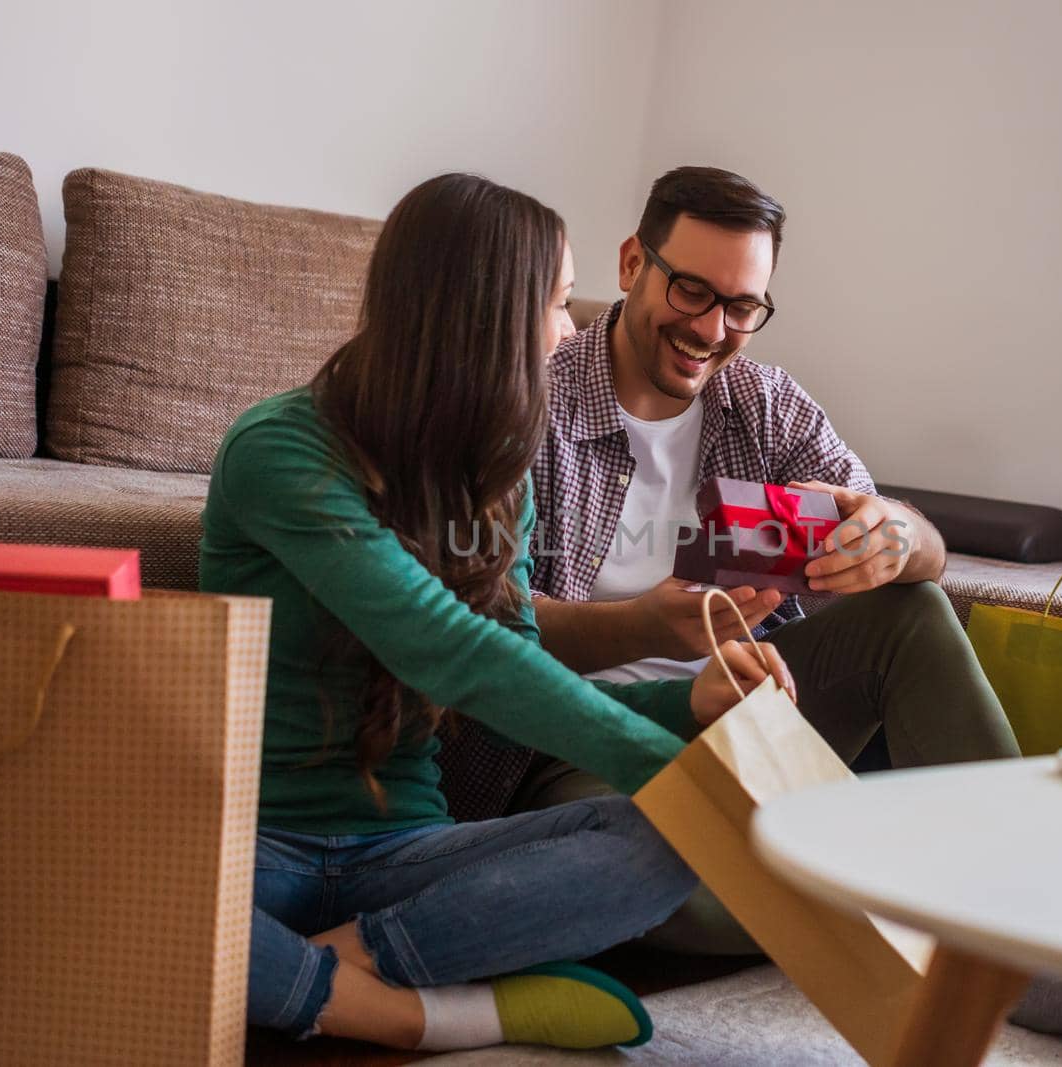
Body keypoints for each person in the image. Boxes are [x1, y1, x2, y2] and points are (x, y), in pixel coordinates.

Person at [516, 166, 1062, 1067]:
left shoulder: (765, 404)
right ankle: (945, 886)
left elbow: (909, 535)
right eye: (691, 290)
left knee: (915, 606)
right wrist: (648, 628)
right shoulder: (530, 396)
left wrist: (893, 535)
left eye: (742, 306)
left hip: (755, 712)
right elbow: (487, 633)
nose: (710, 330)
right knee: (681, 887)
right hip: (581, 741)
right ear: (631, 264)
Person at [197, 172, 793, 1054]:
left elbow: (522, 671)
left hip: (400, 857)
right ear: (482, 314)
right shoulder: (280, 450)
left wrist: (687, 706)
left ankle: (331, 965)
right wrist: (674, 764)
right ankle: (407, 1011)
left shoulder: (496, 478)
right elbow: (452, 652)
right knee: (84, 863)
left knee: (674, 834)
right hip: (251, 846)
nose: (568, 329)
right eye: (556, 302)